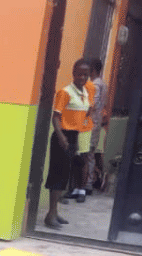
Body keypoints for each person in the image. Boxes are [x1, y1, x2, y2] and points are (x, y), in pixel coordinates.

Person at [43, 59, 92, 229]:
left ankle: (54, 212)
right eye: (79, 74)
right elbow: (56, 117)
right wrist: (61, 136)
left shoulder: (85, 92)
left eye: (85, 74)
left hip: (73, 136)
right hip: (61, 136)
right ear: (73, 73)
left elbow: (82, 115)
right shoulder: (65, 92)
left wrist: (76, 139)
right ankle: (50, 214)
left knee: (64, 175)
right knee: (57, 174)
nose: (82, 77)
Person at [86, 57, 108, 193]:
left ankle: (86, 184)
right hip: (97, 122)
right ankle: (89, 183)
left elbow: (92, 104)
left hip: (91, 122)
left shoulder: (95, 85)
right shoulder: (103, 84)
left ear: (92, 70)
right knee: (91, 154)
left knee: (87, 154)